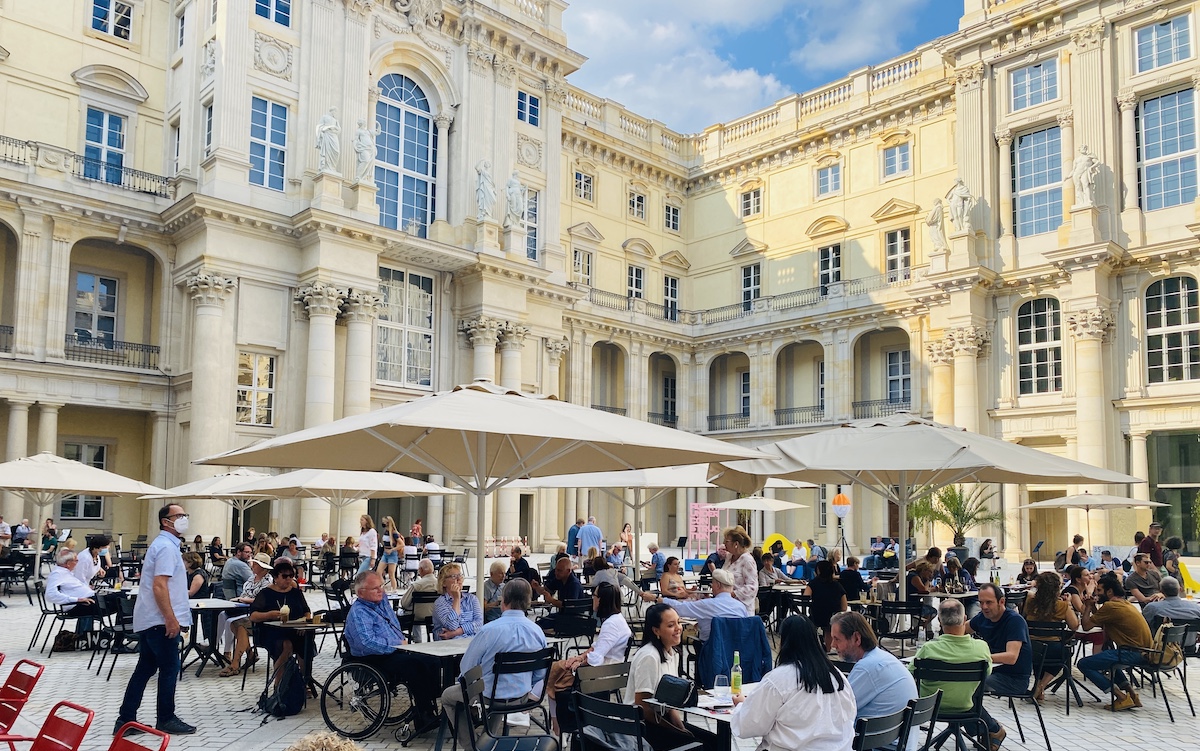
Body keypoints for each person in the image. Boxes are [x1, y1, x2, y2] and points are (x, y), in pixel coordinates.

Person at [116, 503, 196, 735]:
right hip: (159, 621)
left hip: (152, 619)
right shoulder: (165, 547)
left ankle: (126, 719)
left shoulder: (166, 545)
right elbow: (160, 585)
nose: (183, 519)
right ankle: (165, 717)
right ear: (165, 521)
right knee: (170, 668)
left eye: (184, 515)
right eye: (179, 515)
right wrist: (170, 619)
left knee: (145, 668)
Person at [440, 579, 547, 746]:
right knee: (496, 690)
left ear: (503, 602)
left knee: (448, 696)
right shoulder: (537, 632)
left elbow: (467, 668)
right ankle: (485, 743)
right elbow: (540, 673)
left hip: (489, 695)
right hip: (521, 695)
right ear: (528, 602)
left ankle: (471, 746)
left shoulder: (489, 630)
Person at [730, 614, 856, 751]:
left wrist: (742, 705)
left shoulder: (779, 679)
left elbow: (748, 725)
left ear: (784, 642)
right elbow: (850, 714)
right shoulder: (837, 676)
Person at [343, 570, 442, 728]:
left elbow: (394, 624)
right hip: (372, 657)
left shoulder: (381, 601)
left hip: (394, 650)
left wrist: (401, 644)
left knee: (431, 660)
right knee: (415, 666)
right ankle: (423, 715)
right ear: (361, 593)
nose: (381, 590)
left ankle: (431, 705)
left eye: (381, 586)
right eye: (375, 588)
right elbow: (367, 643)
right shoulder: (359, 612)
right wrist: (395, 644)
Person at [910, 600, 998, 749]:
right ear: (964, 619)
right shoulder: (981, 648)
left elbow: (911, 672)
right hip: (966, 706)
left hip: (930, 708)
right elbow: (987, 672)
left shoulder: (928, 649)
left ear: (939, 620)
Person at [546, 582, 631, 733]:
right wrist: (578, 658)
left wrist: (578, 663)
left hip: (602, 674)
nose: (592, 598)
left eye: (594, 596)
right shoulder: (616, 619)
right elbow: (596, 646)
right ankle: (553, 722)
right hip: (609, 671)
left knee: (554, 672)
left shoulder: (611, 624)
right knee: (555, 670)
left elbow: (596, 658)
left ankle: (555, 724)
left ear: (602, 600)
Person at [830, 612, 919, 751]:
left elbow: (838, 710)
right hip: (902, 743)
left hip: (881, 745)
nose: (832, 645)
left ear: (856, 638)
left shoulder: (867, 668)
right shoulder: (884, 658)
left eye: (837, 639)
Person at [626, 604, 710, 751]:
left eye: (679, 622)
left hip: (659, 719)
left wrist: (680, 727)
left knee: (710, 740)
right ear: (656, 630)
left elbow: (670, 703)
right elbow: (642, 707)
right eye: (671, 625)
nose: (678, 628)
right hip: (640, 726)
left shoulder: (672, 653)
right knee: (698, 744)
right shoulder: (650, 656)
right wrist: (675, 729)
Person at [1078, 573, 1152, 710]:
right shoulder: (1124, 603)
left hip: (1130, 653)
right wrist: (1093, 606)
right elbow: (1101, 620)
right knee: (1108, 656)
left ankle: (1121, 697)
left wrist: (1088, 606)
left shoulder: (1110, 606)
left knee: (1083, 664)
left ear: (1110, 591)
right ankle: (1132, 695)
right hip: (1144, 652)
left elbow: (1087, 626)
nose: (1097, 593)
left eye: (1099, 590)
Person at [968, 584, 1032, 712]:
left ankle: (991, 729)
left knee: (968, 686)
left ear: (1001, 601)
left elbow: (1011, 657)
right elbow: (961, 630)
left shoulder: (1014, 621)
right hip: (992, 672)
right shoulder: (983, 617)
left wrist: (978, 657)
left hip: (1013, 679)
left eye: (989, 603)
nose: (984, 607)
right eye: (981, 603)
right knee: (955, 681)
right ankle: (981, 727)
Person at [249, 559, 312, 687]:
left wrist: (304, 623)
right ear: (276, 577)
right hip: (272, 632)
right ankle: (278, 683)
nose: (288, 579)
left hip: (295, 630)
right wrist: (269, 615)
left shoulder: (295, 593)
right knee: (286, 645)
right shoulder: (266, 593)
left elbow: (306, 612)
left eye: (291, 576)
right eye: (284, 576)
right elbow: (253, 616)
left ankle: (303, 681)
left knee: (306, 644)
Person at [644, 568, 747, 643]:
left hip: (712, 650)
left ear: (718, 585)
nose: (712, 586)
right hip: (738, 651)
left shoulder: (708, 605)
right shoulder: (741, 607)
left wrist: (656, 598)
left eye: (713, 583)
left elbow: (680, 608)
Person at [1022, 571, 1079, 702]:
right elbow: (1074, 626)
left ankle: (1038, 685)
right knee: (1065, 653)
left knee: (1039, 653)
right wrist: (1068, 604)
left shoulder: (1030, 602)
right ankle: (1041, 686)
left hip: (1032, 647)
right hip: (1054, 648)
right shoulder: (1062, 606)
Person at [219, 553, 274, 675]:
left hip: (261, 615)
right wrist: (240, 599)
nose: (252, 565)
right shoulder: (251, 579)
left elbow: (262, 600)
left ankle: (235, 663)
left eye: (255, 564)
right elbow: (245, 594)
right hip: (245, 610)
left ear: (263, 567)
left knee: (241, 626)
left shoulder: (268, 581)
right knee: (232, 623)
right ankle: (250, 654)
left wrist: (242, 599)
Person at [802, 560, 848, 649]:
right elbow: (844, 606)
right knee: (828, 627)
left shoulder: (813, 583)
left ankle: (813, 647)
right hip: (832, 616)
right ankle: (828, 649)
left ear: (818, 571)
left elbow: (805, 597)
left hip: (816, 615)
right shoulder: (837, 585)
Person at [46, 548, 104, 617]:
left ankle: (117, 626)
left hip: (88, 599)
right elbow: (50, 594)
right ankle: (116, 626)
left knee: (118, 597)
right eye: (76, 560)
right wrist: (77, 599)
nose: (78, 562)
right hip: (78, 605)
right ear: (68, 563)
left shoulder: (67, 572)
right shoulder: (58, 574)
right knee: (118, 601)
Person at [532, 556, 584, 632]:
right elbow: (545, 590)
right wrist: (537, 587)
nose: (556, 572)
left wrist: (551, 600)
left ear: (568, 571)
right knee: (537, 624)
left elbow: (569, 606)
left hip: (572, 619)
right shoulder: (559, 579)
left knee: (539, 626)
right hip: (562, 615)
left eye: (560, 571)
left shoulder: (574, 584)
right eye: (556, 570)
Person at [432, 563, 482, 640]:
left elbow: (479, 623)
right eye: (454, 576)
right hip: (448, 647)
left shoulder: (472, 599)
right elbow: (452, 626)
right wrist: (456, 599)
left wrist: (456, 632)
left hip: (472, 643)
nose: (459, 579)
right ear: (444, 583)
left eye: (460, 575)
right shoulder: (440, 603)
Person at [720, 526, 758, 614]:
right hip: (726, 606)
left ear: (736, 544)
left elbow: (752, 587)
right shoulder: (729, 557)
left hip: (741, 609)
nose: (724, 544)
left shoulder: (747, 560)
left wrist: (732, 594)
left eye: (727, 541)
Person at [401, 559, 438, 639]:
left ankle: (417, 639)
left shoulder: (417, 585)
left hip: (417, 616)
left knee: (411, 611)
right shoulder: (440, 584)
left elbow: (404, 603)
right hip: (435, 615)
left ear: (420, 570)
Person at [907, 560, 937, 640]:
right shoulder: (914, 576)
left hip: (912, 603)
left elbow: (927, 589)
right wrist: (928, 581)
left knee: (928, 611)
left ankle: (917, 629)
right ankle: (919, 630)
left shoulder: (919, 578)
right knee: (932, 612)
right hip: (906, 604)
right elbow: (924, 590)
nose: (931, 574)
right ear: (924, 571)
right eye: (930, 572)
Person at [377, 516, 401, 591]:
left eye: (384, 522)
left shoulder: (394, 533)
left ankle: (394, 590)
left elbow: (402, 544)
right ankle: (382, 586)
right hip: (385, 553)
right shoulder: (386, 532)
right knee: (378, 572)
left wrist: (392, 549)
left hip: (392, 554)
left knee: (391, 574)